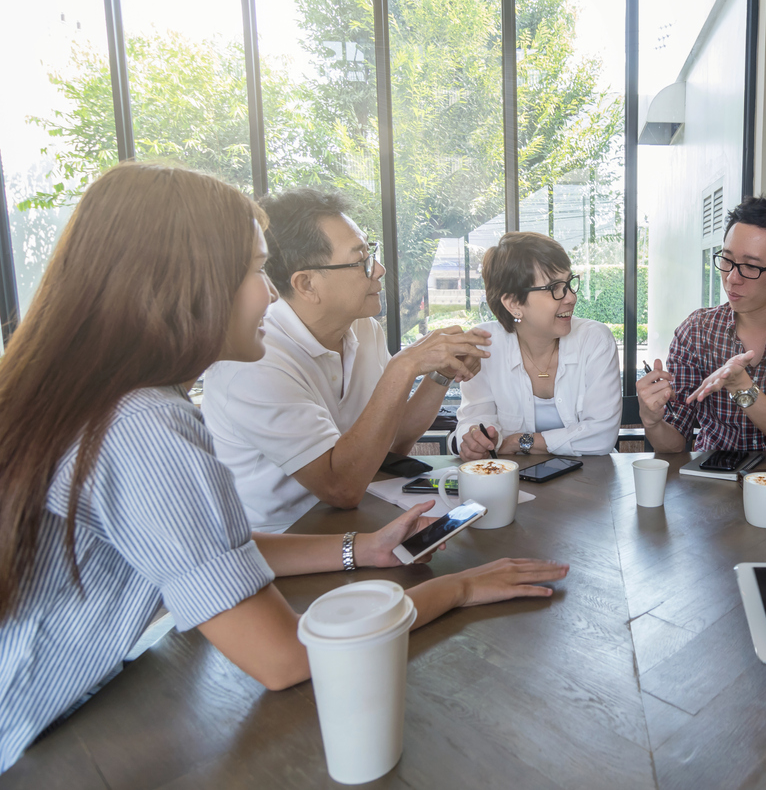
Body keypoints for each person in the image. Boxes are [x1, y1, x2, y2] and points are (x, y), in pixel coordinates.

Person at [0, 164, 568, 773]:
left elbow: (211, 551)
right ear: (183, 284)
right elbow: (287, 660)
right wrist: (456, 589)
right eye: (251, 271)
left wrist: (361, 550)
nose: (268, 294)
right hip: (40, 747)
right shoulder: (145, 428)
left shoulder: (107, 401)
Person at [203, 188, 491, 532]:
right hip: (282, 546)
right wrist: (404, 366)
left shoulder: (364, 329)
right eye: (361, 261)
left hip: (357, 525)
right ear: (307, 284)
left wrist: (440, 375)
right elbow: (340, 488)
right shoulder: (255, 360)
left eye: (372, 254)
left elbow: (391, 444)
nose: (379, 270)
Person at [636, 196, 766, 457]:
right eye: (727, 260)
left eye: (750, 267)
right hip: (711, 482)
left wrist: (741, 387)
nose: (732, 279)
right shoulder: (697, 331)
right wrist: (652, 420)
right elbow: (675, 442)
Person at [456, 232, 621, 459]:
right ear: (514, 303)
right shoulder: (485, 346)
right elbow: (473, 420)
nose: (571, 297)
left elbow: (601, 437)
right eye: (555, 287)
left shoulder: (594, 340)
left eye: (569, 283)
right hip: (512, 481)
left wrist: (519, 441)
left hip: (591, 481)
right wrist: (476, 438)